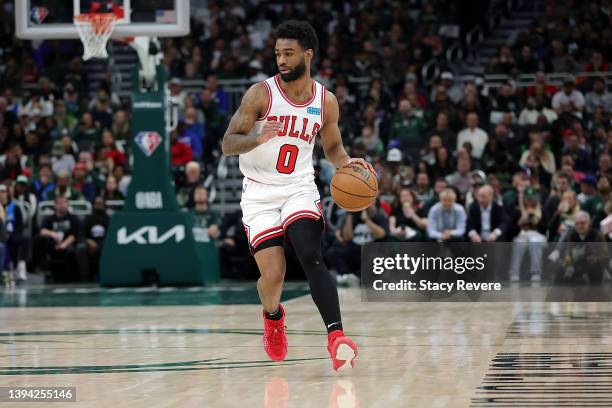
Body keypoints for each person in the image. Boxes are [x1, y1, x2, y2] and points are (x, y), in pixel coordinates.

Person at [221, 20, 374, 371]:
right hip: (259, 193)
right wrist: (257, 137)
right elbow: (228, 143)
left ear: (308, 54)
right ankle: (273, 316)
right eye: (277, 54)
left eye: (288, 53)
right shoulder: (260, 94)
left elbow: (333, 148)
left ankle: (337, 337)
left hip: (298, 187)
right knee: (273, 276)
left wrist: (349, 164)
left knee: (310, 254)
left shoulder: (325, 101)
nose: (281, 60)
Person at [34, 196, 81, 282]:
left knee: (71, 251)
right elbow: (42, 230)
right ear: (55, 205)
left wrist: (64, 244)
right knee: (39, 240)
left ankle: (70, 277)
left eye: (64, 203)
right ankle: (45, 271)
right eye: (59, 203)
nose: (61, 205)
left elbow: (74, 235)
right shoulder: (50, 218)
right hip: (53, 244)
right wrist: (53, 234)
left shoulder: (73, 218)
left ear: (68, 204)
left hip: (68, 244)